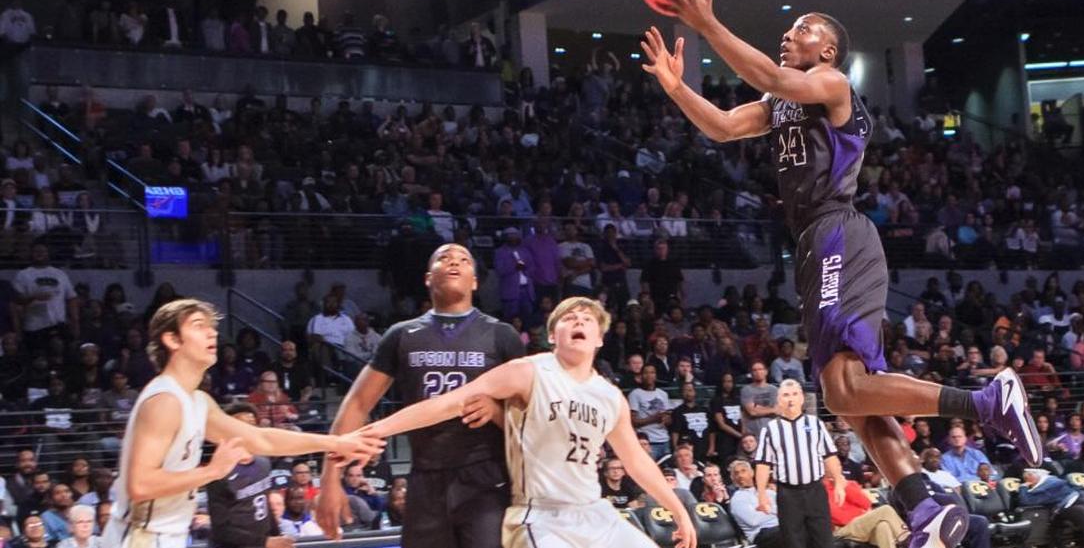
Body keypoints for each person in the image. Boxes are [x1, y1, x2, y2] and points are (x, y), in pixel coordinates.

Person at [642, 0, 1041, 548]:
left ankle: (985, 403)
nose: (787, 35)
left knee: (848, 387)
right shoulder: (781, 101)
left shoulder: (832, 85)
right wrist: (676, 87)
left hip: (838, 233)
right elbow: (726, 127)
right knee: (849, 398)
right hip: (814, 243)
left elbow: (776, 80)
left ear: (825, 50)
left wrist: (706, 22)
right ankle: (925, 508)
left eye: (799, 29)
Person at [360, 297, 698, 548]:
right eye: (569, 318)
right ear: (553, 335)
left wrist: (678, 510)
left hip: (594, 511)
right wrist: (379, 429)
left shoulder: (609, 396)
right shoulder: (529, 371)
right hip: (540, 515)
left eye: (587, 319)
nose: (578, 320)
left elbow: (636, 461)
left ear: (599, 339)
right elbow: (451, 401)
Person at [100, 299, 383, 548]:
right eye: (199, 326)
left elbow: (261, 440)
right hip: (140, 537)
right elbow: (141, 484)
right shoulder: (165, 401)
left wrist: (334, 442)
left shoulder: (196, 400)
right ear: (172, 340)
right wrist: (212, 471)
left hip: (166, 534)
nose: (212, 332)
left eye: (212, 326)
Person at [316, 244, 525, 548]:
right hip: (425, 477)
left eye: (464, 260)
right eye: (444, 258)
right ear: (428, 277)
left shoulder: (502, 335)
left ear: (475, 281)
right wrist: (329, 479)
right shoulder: (401, 335)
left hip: (487, 478)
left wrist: (495, 412)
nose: (454, 261)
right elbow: (358, 403)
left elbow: (530, 419)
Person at [754, 380, 845, 548]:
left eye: (795, 394)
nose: (791, 399)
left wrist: (839, 481)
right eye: (786, 395)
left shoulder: (815, 423)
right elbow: (763, 464)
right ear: (779, 400)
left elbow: (830, 455)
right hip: (788, 494)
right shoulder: (771, 429)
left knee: (824, 541)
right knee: (794, 542)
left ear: (802, 398)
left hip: (815, 490)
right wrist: (761, 494)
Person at [205, 403, 291, 548]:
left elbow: (266, 506)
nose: (249, 430)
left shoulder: (263, 462)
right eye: (242, 425)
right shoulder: (219, 472)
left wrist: (276, 535)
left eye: (252, 424)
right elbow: (221, 530)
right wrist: (265, 542)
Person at [1018, 469, 1084, 548]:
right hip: (1064, 507)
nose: (1028, 476)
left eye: (1030, 474)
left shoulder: (1053, 479)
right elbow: (1025, 501)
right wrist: (1023, 487)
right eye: (1026, 476)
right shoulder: (1033, 492)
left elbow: (1071, 485)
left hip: (1078, 498)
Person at [825, 477, 908, 548]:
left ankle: (907, 540)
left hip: (861, 524)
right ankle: (909, 540)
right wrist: (863, 515)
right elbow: (839, 518)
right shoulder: (822, 489)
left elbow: (866, 503)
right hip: (842, 529)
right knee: (885, 510)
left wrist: (845, 485)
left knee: (883, 526)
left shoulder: (846, 484)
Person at [727, 460, 779, 548]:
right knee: (789, 534)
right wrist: (774, 511)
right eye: (736, 473)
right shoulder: (737, 498)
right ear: (733, 478)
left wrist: (766, 509)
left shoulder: (769, 492)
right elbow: (753, 520)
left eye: (743, 471)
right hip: (762, 534)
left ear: (752, 473)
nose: (740, 475)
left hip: (780, 527)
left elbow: (786, 510)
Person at [627, 365, 672, 460]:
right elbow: (633, 421)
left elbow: (668, 418)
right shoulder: (635, 394)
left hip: (664, 440)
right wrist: (654, 418)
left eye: (652, 372)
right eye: (646, 372)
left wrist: (667, 419)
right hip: (648, 441)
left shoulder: (663, 394)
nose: (649, 375)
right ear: (641, 376)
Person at [740, 360, 778, 441]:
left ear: (766, 372)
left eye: (760, 369)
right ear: (751, 373)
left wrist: (757, 407)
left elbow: (778, 411)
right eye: (755, 370)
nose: (758, 372)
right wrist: (771, 410)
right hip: (752, 434)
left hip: (771, 431)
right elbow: (752, 412)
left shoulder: (774, 390)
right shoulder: (746, 390)